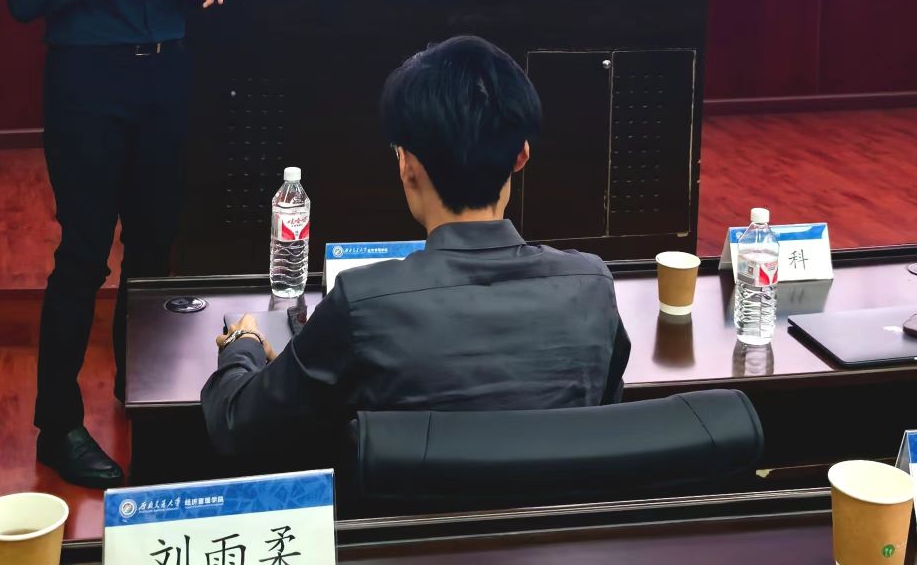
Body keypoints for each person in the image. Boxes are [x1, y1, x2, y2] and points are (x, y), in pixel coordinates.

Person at [200, 37, 630, 457]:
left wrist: (243, 343)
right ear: (521, 155)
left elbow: (236, 426)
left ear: (406, 163)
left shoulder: (362, 304)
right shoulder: (592, 287)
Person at [6, 0, 241, 488]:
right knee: (83, 254)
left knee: (153, 250)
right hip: (88, 82)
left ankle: (141, 392)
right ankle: (57, 425)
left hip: (167, 77)